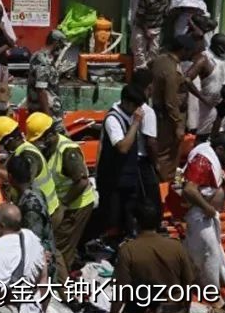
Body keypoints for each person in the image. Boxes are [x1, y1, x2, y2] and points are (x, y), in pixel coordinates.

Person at [110, 202, 196, 313]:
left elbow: (121, 290)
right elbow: (189, 283)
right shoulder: (177, 247)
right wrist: (185, 312)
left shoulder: (128, 250)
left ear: (136, 222)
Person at [95, 83, 160, 242]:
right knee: (113, 217)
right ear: (127, 103)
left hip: (130, 176)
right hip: (114, 179)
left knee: (130, 213)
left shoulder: (133, 115)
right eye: (136, 106)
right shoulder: (113, 120)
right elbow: (123, 147)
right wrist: (136, 123)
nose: (139, 111)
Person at [29, 114, 94, 272]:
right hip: (62, 204)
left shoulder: (67, 151)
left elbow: (82, 181)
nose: (39, 143)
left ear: (50, 134)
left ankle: (62, 284)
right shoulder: (48, 149)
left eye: (41, 138)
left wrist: (64, 205)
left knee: (60, 247)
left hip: (76, 204)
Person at [182, 130, 225, 290]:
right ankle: (209, 288)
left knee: (206, 248)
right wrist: (207, 208)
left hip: (205, 212)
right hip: (198, 213)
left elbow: (181, 173)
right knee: (208, 250)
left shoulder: (209, 155)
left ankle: (200, 277)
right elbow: (188, 190)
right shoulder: (203, 161)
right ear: (220, 149)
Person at [0, 116, 59, 227]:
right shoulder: (21, 150)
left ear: (12, 140)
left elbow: (22, 180)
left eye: (2, 143)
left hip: (44, 212)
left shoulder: (29, 156)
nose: (1, 147)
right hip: (37, 208)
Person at [7, 153, 63, 282]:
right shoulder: (35, 192)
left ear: (10, 177)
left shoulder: (31, 207)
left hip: (39, 271)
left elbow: (34, 242)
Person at [151, 34, 196, 181]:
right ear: (183, 50)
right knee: (169, 155)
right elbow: (171, 100)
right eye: (189, 51)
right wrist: (178, 125)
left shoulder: (160, 60)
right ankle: (165, 183)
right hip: (169, 119)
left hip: (158, 114)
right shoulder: (171, 70)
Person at [187, 33, 225, 140]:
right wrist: (203, 98)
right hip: (207, 113)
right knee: (202, 140)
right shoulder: (204, 59)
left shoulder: (224, 62)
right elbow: (187, 79)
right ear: (219, 48)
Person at [131, 0, 173, 68]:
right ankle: (140, 73)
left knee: (154, 53)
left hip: (157, 27)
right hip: (142, 26)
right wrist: (146, 31)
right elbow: (140, 15)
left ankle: (150, 74)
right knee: (139, 53)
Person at [26, 30, 65, 120]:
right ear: (56, 42)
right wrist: (48, 117)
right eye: (61, 45)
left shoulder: (38, 55)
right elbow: (41, 89)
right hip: (45, 112)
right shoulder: (43, 60)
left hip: (46, 110)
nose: (61, 48)